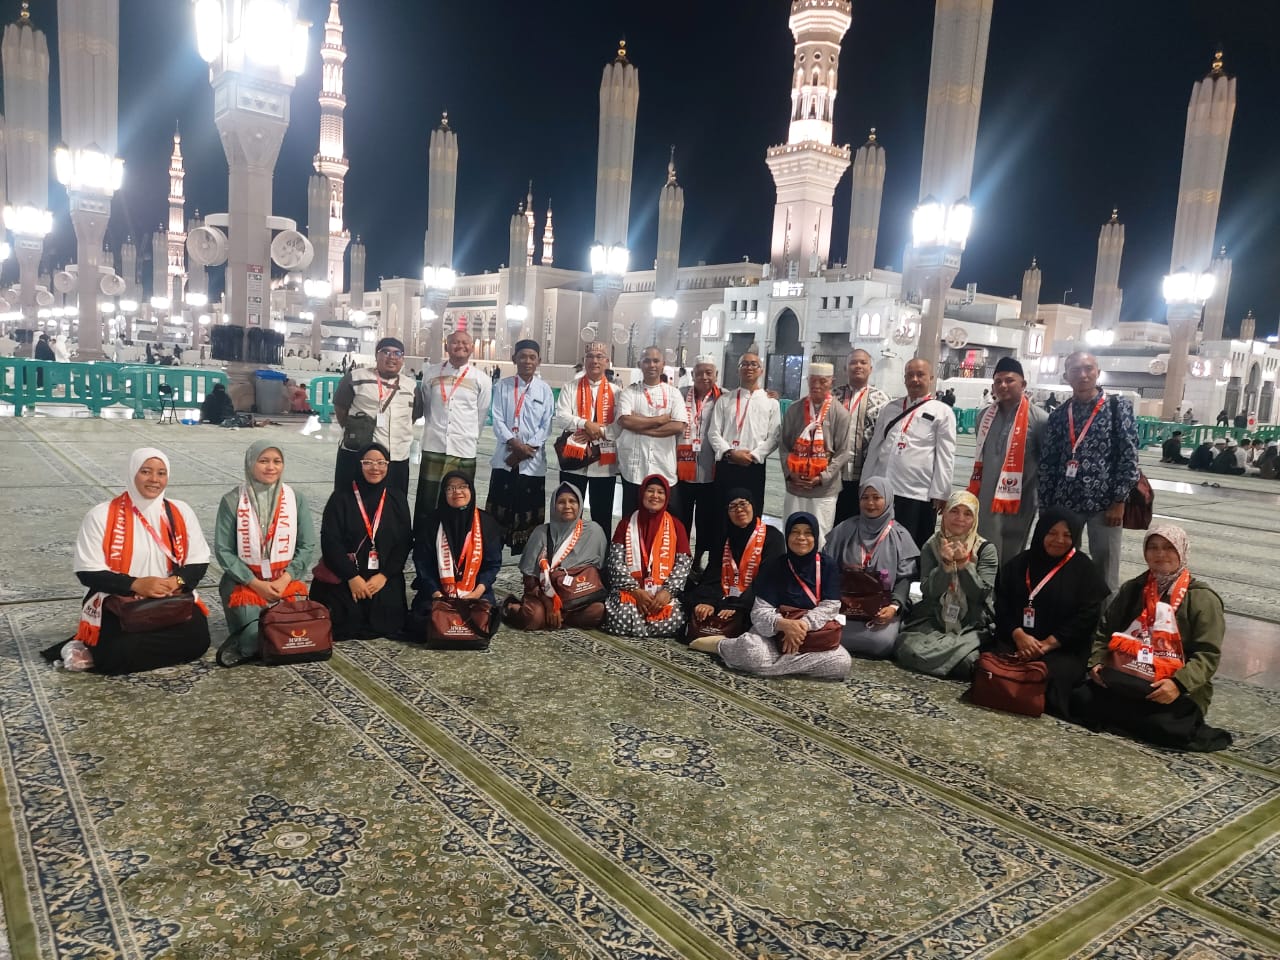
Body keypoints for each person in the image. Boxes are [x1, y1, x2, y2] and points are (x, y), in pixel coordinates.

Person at [53, 448, 212, 674]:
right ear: (131, 472)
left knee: (198, 640)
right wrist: (136, 584)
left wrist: (175, 581)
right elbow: (88, 572)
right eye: (145, 471)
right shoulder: (101, 515)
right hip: (118, 599)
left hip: (169, 596)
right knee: (118, 653)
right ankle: (89, 647)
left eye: (161, 473)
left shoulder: (180, 511)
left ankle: (105, 651)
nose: (154, 479)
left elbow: (198, 561)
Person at [1074, 525, 1231, 751]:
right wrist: (1097, 662)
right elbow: (1105, 631)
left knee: (1166, 726)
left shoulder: (1202, 599)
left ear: (1182, 551)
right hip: (1127, 676)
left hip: (1168, 686)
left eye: (1168, 548)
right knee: (1079, 699)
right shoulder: (1133, 589)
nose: (1160, 554)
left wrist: (1178, 684)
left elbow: (1208, 655)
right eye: (1153, 548)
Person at [691, 512, 851, 681]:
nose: (801, 538)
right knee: (753, 652)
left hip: (812, 635)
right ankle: (721, 644)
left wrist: (802, 625)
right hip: (773, 634)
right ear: (787, 535)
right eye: (795, 532)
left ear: (816, 537)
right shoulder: (776, 565)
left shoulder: (827, 565)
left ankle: (767, 664)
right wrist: (784, 625)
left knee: (841, 664)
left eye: (808, 533)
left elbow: (830, 606)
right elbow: (760, 611)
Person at [986, 507, 1109, 718]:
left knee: (1051, 677)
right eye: (1052, 533)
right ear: (1041, 532)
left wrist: (1047, 645)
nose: (1059, 540)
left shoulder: (1083, 569)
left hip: (1062, 648)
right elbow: (1002, 605)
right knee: (992, 661)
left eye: (1067, 535)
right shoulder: (1021, 563)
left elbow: (1087, 617)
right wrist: (1019, 635)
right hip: (1016, 641)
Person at [1037, 351, 1139, 592]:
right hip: (1065, 503)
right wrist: (1046, 508)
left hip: (1105, 505)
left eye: (1088, 369)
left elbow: (1129, 455)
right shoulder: (1059, 415)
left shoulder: (1117, 408)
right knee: (1063, 564)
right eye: (1075, 370)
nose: (1083, 375)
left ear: (1098, 372)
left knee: (1105, 568)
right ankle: (1067, 612)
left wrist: (1119, 501)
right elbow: (1048, 463)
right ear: (1066, 376)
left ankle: (1104, 615)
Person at [213, 441, 316, 658]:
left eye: (277, 461)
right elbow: (223, 550)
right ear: (250, 463)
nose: (271, 467)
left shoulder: (295, 499)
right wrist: (255, 583)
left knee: (293, 638)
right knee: (253, 645)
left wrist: (285, 579)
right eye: (263, 461)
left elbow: (307, 545)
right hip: (246, 584)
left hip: (285, 582)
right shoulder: (232, 500)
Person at [310, 443, 412, 641]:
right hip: (345, 575)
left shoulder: (396, 498)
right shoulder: (341, 497)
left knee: (388, 617)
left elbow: (404, 543)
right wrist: (352, 578)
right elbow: (330, 542)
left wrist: (384, 576)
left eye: (381, 462)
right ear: (358, 465)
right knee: (344, 619)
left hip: (381, 576)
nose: (375, 468)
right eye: (368, 462)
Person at [896, 491, 998, 679]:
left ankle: (946, 658)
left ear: (975, 519)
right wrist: (945, 566)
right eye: (954, 511)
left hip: (971, 622)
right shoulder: (931, 545)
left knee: (968, 662)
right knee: (905, 646)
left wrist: (964, 565)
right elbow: (929, 592)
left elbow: (981, 595)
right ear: (945, 513)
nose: (960, 518)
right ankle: (949, 659)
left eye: (967, 514)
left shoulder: (986, 549)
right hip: (934, 617)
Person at [414, 330, 492, 574]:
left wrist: (468, 436)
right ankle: (424, 559)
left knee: (459, 505)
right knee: (428, 505)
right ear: (446, 346)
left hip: (463, 449)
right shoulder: (431, 373)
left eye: (465, 343)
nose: (460, 346)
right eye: (455, 342)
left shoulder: (481, 379)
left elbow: (481, 415)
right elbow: (426, 407)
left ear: (472, 347)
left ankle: (458, 558)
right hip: (434, 446)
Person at [862, 358, 957, 549]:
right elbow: (875, 447)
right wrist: (865, 482)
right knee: (880, 542)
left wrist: (941, 492)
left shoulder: (942, 412)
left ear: (931, 378)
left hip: (917, 492)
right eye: (910, 375)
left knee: (911, 545)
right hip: (884, 490)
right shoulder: (890, 408)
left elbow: (946, 455)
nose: (915, 379)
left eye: (920, 375)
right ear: (904, 379)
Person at [824, 476, 920, 658]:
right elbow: (827, 567)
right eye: (865, 497)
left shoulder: (900, 535)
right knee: (825, 631)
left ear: (888, 499)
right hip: (845, 605)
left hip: (881, 608)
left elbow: (904, 578)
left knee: (882, 643)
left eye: (876, 497)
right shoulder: (845, 529)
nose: (870, 503)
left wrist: (893, 607)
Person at [968, 357, 1047, 563]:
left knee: (1013, 552)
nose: (1003, 385)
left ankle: (1008, 584)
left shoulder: (1039, 419)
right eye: (998, 381)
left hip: (1019, 500)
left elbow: (1045, 463)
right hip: (986, 498)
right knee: (985, 549)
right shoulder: (983, 417)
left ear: (1023, 384)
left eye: (1010, 380)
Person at [502, 482, 609, 630]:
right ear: (553, 506)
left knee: (598, 611)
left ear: (580, 505)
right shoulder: (541, 533)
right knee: (533, 617)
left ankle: (560, 618)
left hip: (578, 596)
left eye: (572, 501)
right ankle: (517, 607)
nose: (567, 506)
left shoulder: (593, 531)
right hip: (545, 594)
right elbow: (530, 579)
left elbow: (601, 571)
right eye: (561, 502)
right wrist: (549, 603)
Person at [684, 488, 785, 640]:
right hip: (726, 595)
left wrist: (738, 605)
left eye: (743, 503)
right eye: (733, 506)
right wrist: (709, 601)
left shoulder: (773, 536)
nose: (739, 510)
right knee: (692, 604)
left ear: (753, 506)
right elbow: (714, 573)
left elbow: (768, 579)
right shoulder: (725, 537)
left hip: (756, 598)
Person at [485, 339, 555, 555]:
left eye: (532, 357)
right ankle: (491, 563)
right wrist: (514, 443)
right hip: (505, 459)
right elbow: (497, 419)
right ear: (514, 358)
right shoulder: (502, 386)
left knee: (529, 518)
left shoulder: (544, 390)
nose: (527, 361)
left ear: (539, 361)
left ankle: (528, 568)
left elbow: (546, 425)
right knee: (497, 518)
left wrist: (527, 448)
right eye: (522, 356)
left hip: (532, 463)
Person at [410, 470, 504, 630]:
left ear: (471, 490)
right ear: (443, 493)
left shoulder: (486, 523)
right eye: (450, 488)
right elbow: (422, 564)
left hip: (475, 590)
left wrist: (477, 592)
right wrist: (437, 594)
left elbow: (493, 564)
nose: (457, 492)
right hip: (438, 590)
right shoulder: (431, 523)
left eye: (462, 486)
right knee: (425, 622)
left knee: (484, 619)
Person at [602, 474, 692, 639]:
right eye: (650, 491)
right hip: (631, 591)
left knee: (677, 617)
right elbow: (616, 562)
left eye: (660, 492)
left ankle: (637, 626)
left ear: (667, 497)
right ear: (642, 493)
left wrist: (667, 592)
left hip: (661, 593)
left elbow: (683, 564)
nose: (655, 496)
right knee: (621, 614)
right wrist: (635, 591)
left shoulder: (676, 525)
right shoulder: (626, 523)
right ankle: (646, 626)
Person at [332, 337, 422, 496]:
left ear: (402, 358)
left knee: (393, 501)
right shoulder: (355, 378)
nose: (391, 357)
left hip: (397, 457)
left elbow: (414, 416)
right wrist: (356, 430)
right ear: (376, 355)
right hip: (358, 454)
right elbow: (341, 408)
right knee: (351, 499)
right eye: (386, 352)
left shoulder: (411, 386)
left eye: (397, 353)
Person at [779, 362, 851, 544]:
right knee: (792, 532)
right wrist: (791, 474)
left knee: (820, 537)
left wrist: (822, 477)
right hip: (795, 485)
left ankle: (818, 563)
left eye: (822, 381)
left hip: (824, 489)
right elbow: (784, 445)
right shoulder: (794, 409)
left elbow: (842, 452)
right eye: (812, 381)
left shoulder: (840, 413)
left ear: (832, 382)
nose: (817, 385)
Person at [555, 341, 621, 537]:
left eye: (599, 357)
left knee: (602, 515)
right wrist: (585, 424)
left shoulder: (616, 392)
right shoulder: (570, 388)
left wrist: (598, 431)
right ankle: (566, 551)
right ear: (584, 361)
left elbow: (620, 425)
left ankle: (601, 554)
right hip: (573, 460)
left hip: (604, 463)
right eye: (590, 356)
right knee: (569, 513)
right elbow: (561, 417)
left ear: (607, 362)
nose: (595, 361)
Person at [615, 346, 689, 517]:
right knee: (632, 521)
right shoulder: (629, 392)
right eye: (647, 361)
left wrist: (639, 426)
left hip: (664, 468)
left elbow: (678, 426)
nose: (652, 365)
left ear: (663, 364)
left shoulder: (674, 394)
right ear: (639, 364)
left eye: (656, 361)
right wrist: (660, 420)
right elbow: (625, 421)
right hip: (634, 471)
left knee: (666, 522)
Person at [707, 350, 780, 517]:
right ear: (738, 370)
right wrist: (730, 452)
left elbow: (774, 437)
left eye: (754, 364)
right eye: (744, 364)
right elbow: (713, 432)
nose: (749, 367)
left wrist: (754, 455)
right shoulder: (725, 400)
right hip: (727, 464)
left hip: (754, 466)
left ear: (761, 370)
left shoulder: (771, 402)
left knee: (751, 514)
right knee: (722, 513)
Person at [673, 356, 721, 572]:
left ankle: (698, 559)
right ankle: (680, 557)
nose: (704, 377)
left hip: (709, 471)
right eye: (699, 373)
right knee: (681, 517)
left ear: (716, 375)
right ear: (693, 375)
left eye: (709, 373)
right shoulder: (680, 395)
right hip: (682, 469)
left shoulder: (724, 397)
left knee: (705, 520)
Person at [833, 349, 890, 524]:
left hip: (867, 475)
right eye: (853, 362)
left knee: (862, 523)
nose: (858, 366)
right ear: (845, 368)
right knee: (834, 522)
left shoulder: (882, 400)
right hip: (834, 474)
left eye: (863, 362)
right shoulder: (832, 397)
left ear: (871, 368)